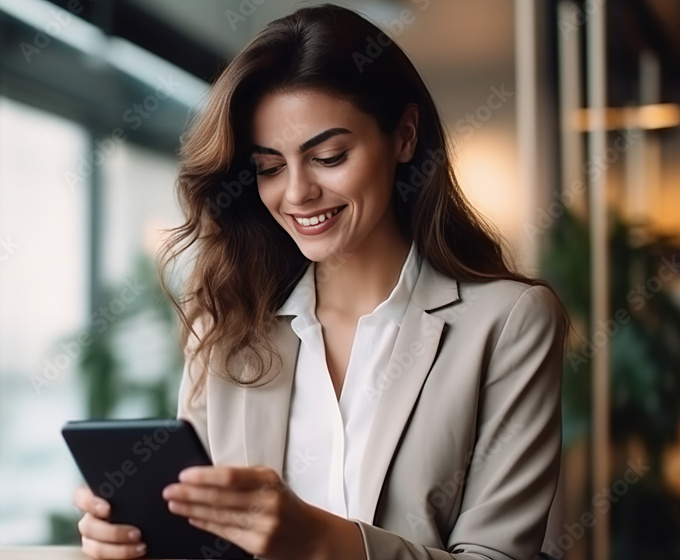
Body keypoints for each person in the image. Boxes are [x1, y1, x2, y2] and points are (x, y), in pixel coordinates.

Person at [73, 4, 568, 559]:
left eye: (329, 156)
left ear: (404, 136)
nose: (298, 193)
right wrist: (134, 544)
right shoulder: (227, 319)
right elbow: (202, 538)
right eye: (270, 167)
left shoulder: (508, 323)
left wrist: (321, 542)